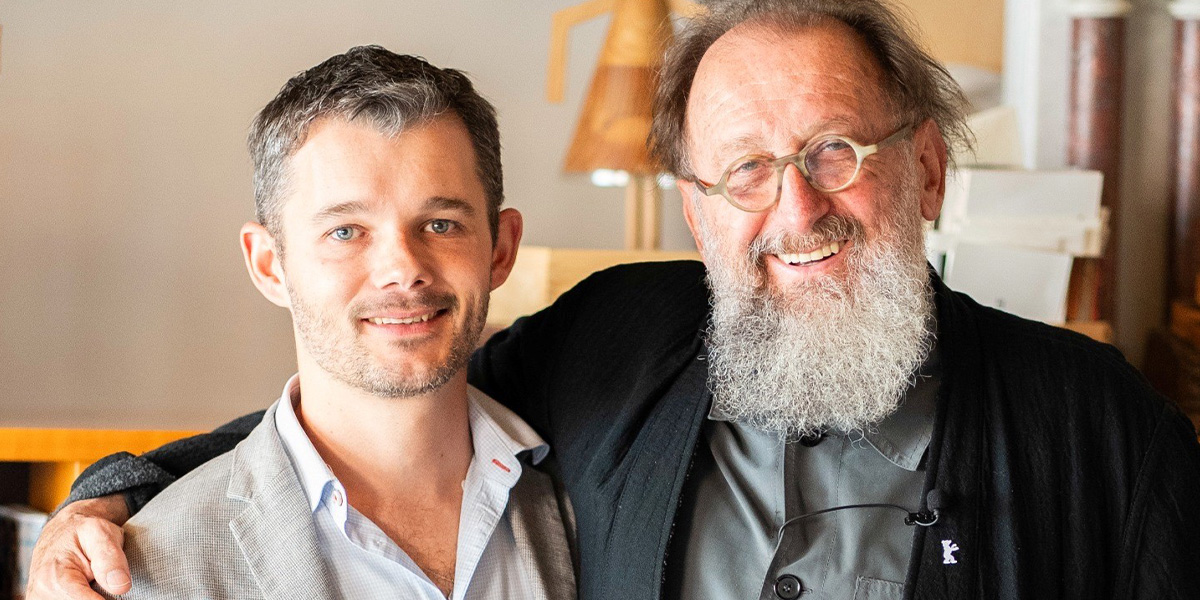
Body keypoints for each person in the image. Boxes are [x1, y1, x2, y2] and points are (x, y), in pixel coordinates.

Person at [28, 1, 1200, 599]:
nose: (796, 207)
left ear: (928, 168)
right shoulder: (616, 338)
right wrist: (119, 489)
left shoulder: (1102, 426)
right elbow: (385, 391)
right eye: (745, 169)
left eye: (836, 151)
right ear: (695, 207)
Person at [55, 46, 577, 600]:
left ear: (501, 249)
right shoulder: (150, 573)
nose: (403, 269)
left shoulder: (585, 506)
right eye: (345, 231)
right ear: (269, 265)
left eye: (441, 224)